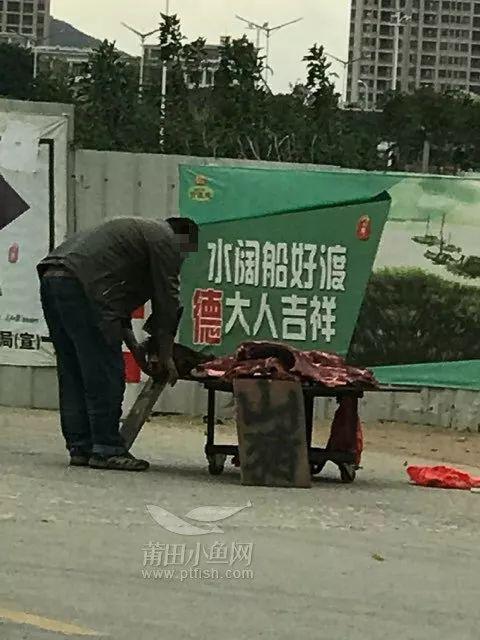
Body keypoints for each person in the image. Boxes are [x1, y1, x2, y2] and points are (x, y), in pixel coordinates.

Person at [37, 216, 198, 472]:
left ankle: (81, 447)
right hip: (82, 285)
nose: (183, 258)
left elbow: (117, 311)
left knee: (73, 370)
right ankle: (106, 449)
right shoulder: (166, 239)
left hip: (53, 277)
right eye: (187, 252)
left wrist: (138, 352)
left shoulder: (134, 239)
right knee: (105, 372)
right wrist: (166, 354)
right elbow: (167, 300)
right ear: (184, 239)